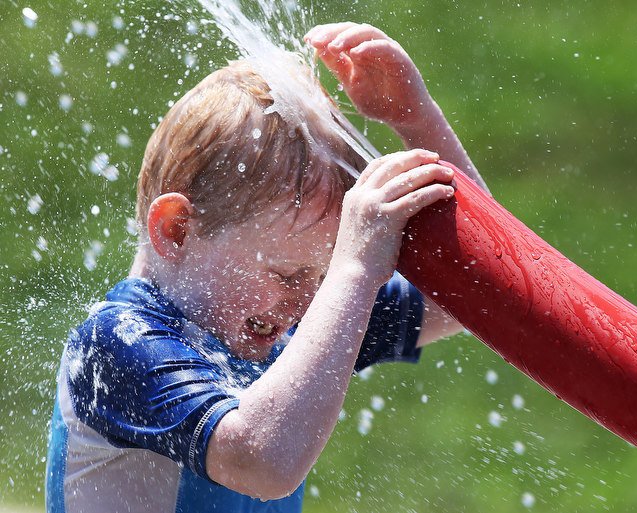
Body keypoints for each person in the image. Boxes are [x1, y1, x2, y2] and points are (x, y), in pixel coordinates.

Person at [44, 22, 488, 513]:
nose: (306, 302)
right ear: (176, 230)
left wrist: (415, 118)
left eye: (323, 276)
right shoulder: (117, 344)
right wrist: (354, 269)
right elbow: (263, 461)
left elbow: (475, 295)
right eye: (286, 274)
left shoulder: (285, 321)